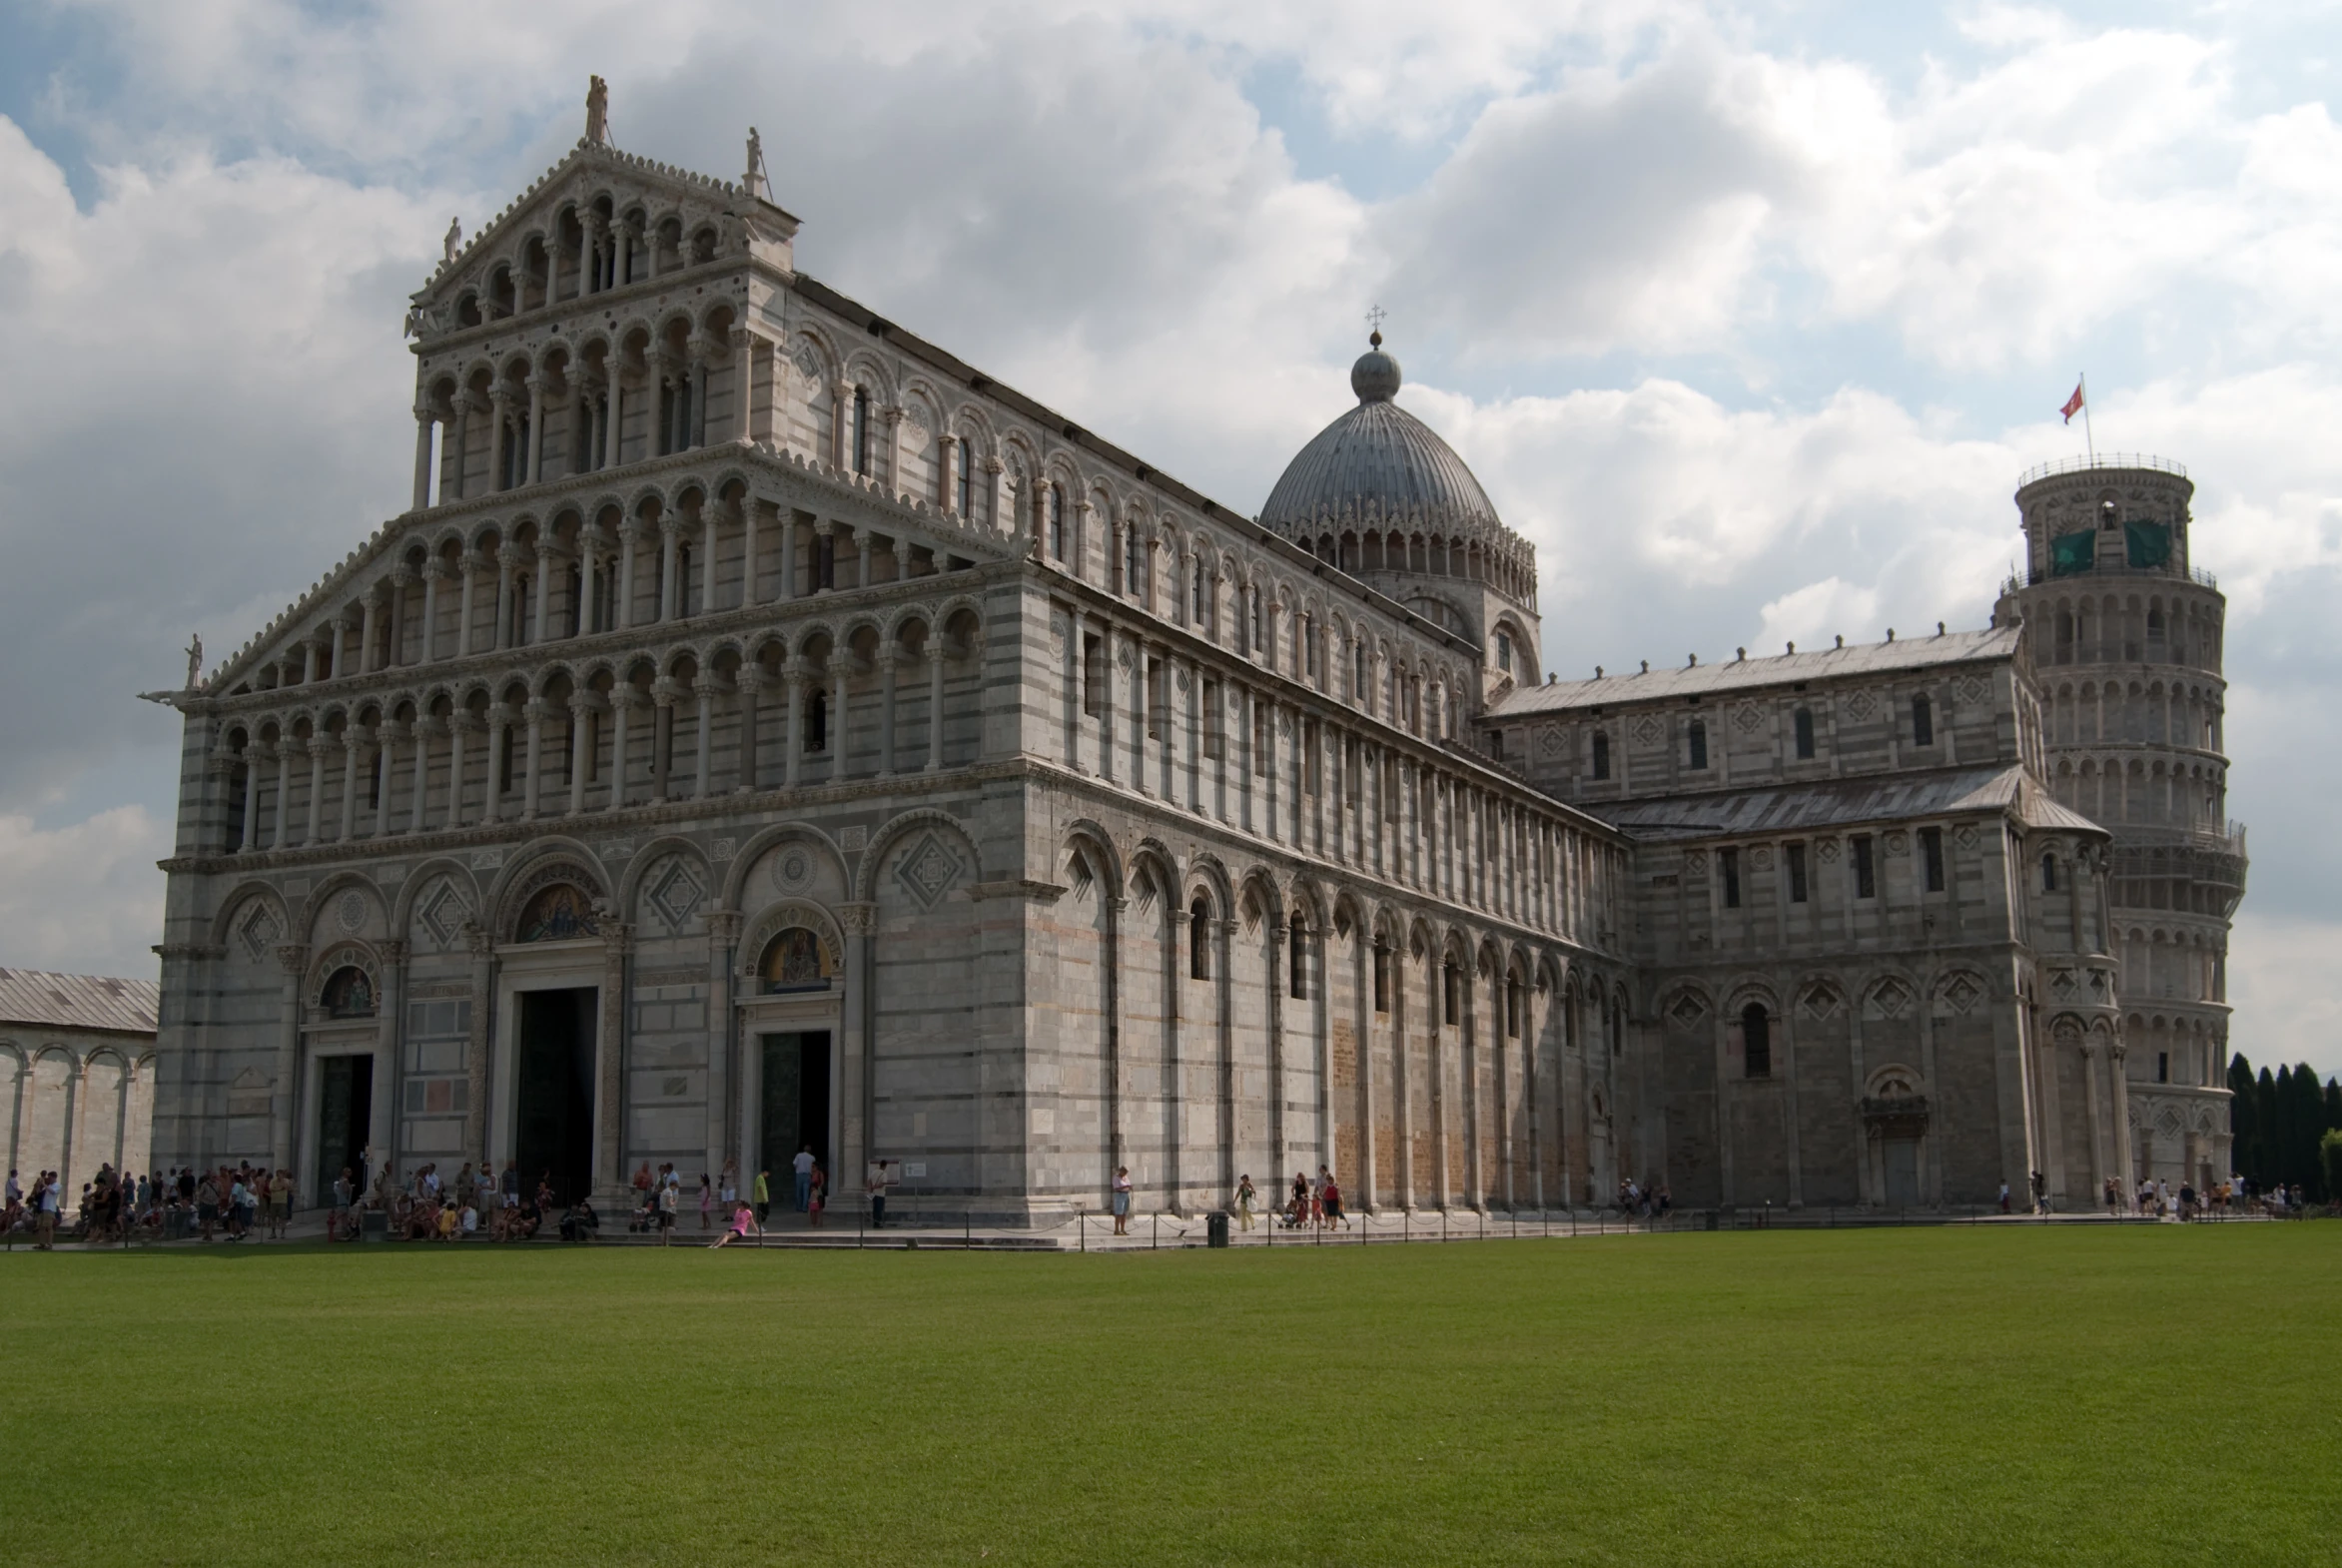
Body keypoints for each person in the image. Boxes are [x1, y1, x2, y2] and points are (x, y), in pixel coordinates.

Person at [866, 1159, 891, 1229]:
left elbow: (869, 1180)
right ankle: (878, 1223)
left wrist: (870, 1189)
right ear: (885, 1166)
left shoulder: (874, 1172)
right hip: (880, 1194)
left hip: (873, 1193)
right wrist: (876, 1186)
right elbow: (882, 1184)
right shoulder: (884, 1174)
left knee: (875, 1208)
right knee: (879, 1209)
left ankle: (875, 1222)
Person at [1111, 1166, 1133, 1235]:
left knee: (1124, 1213)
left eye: (1127, 1172)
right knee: (1119, 1213)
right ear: (1121, 1171)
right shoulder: (1116, 1178)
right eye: (1125, 1171)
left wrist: (1130, 1188)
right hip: (1119, 1195)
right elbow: (1116, 1188)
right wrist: (1126, 1186)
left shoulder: (1125, 1178)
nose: (1126, 1173)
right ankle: (1116, 1230)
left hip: (1126, 1195)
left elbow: (1129, 1184)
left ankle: (1122, 1229)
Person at [794, 1146, 816, 1212]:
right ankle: (804, 1208)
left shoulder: (799, 1155)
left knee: (798, 1192)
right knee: (806, 1192)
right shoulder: (812, 1157)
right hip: (807, 1175)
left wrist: (797, 1169)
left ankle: (798, 1207)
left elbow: (794, 1164)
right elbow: (813, 1166)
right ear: (810, 1150)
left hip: (799, 1175)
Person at [657, 1176, 678, 1244]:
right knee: (668, 1228)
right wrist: (674, 1202)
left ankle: (664, 1240)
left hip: (662, 1210)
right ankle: (665, 1241)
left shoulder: (664, 1190)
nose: (675, 1189)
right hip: (667, 1211)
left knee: (664, 1228)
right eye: (675, 1187)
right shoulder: (669, 1192)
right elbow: (669, 1203)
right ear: (673, 1186)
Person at [808, 1161, 827, 1227]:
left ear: (816, 1167)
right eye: (811, 1167)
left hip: (818, 1193)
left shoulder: (819, 1173)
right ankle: (813, 1222)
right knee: (812, 1209)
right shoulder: (811, 1175)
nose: (812, 1168)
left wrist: (817, 1190)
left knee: (819, 1208)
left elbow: (822, 1182)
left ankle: (819, 1222)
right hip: (812, 1193)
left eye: (813, 1166)